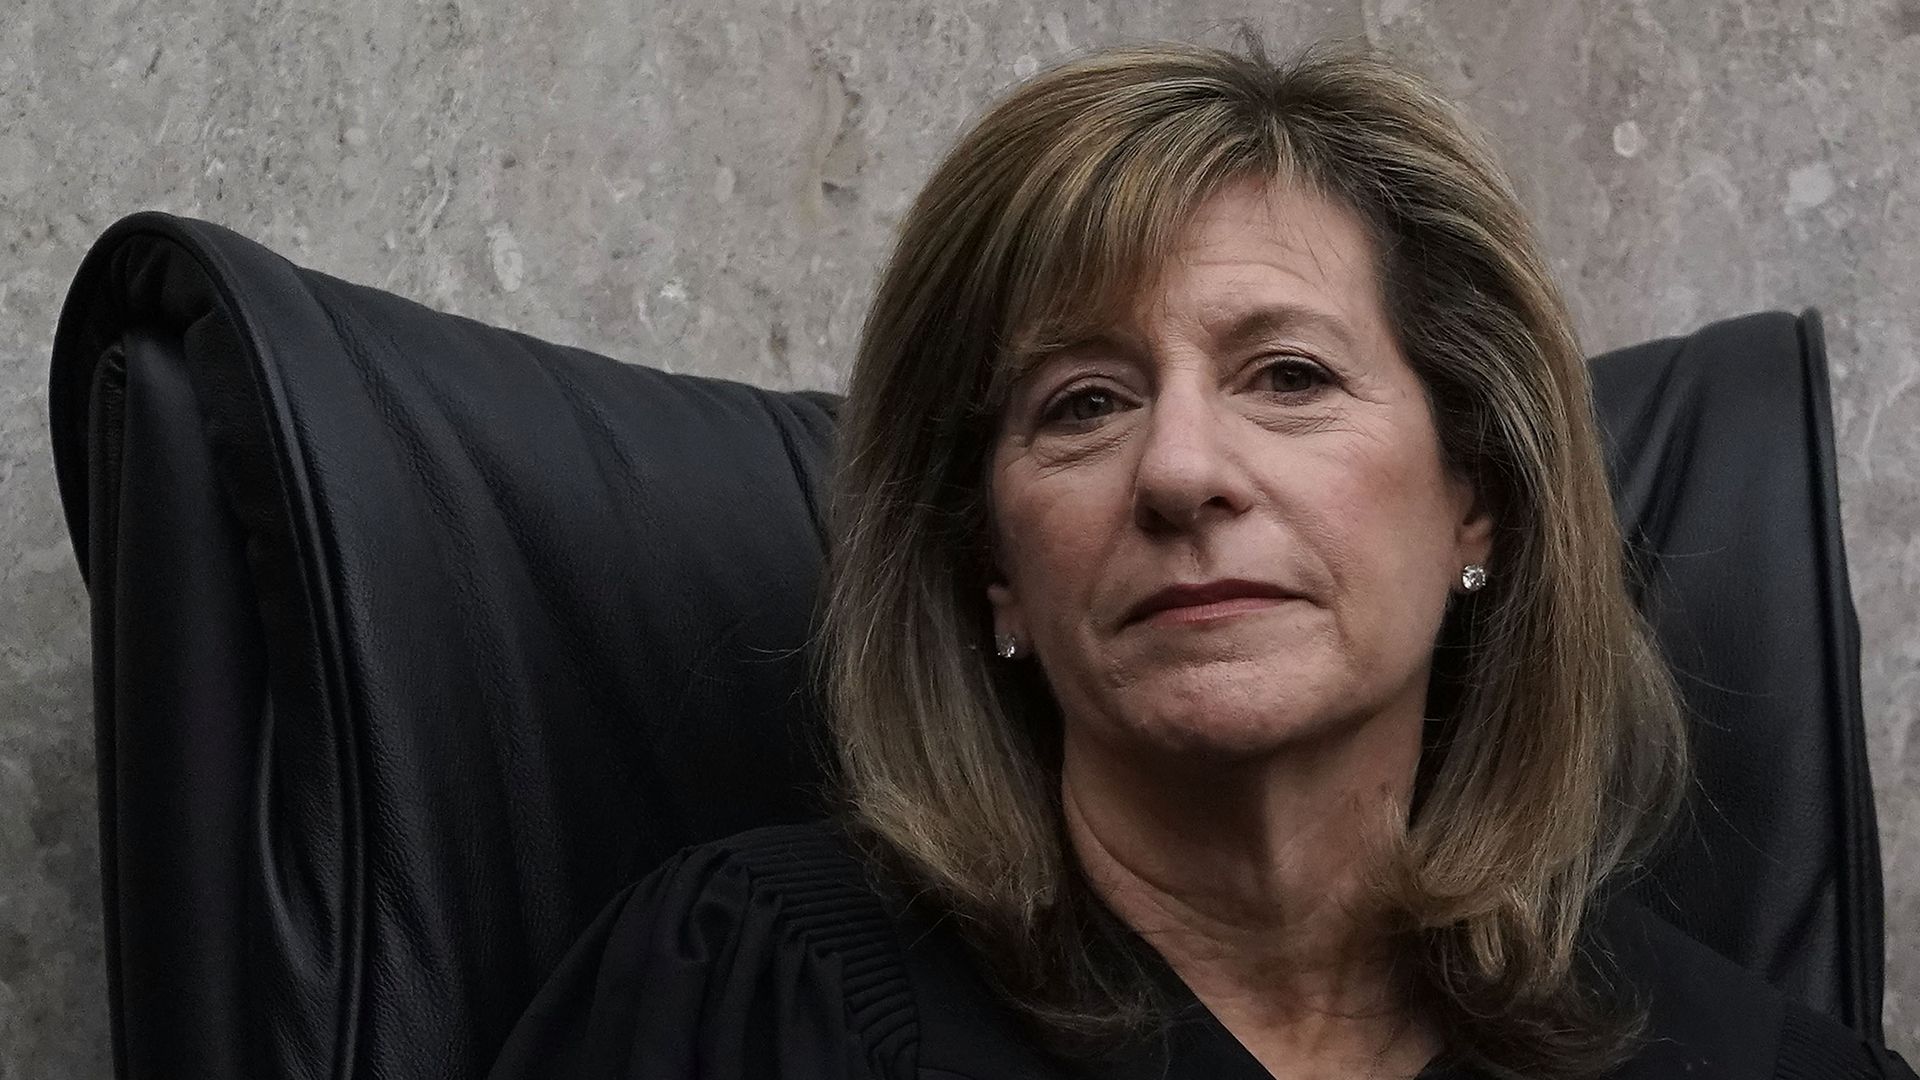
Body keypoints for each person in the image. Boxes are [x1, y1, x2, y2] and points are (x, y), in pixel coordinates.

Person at [487, 38, 1916, 1080]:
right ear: (994, 571)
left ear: (1476, 501)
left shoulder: (1763, 1067)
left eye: (1288, 374)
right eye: (1084, 404)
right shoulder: (749, 994)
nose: (1179, 472)